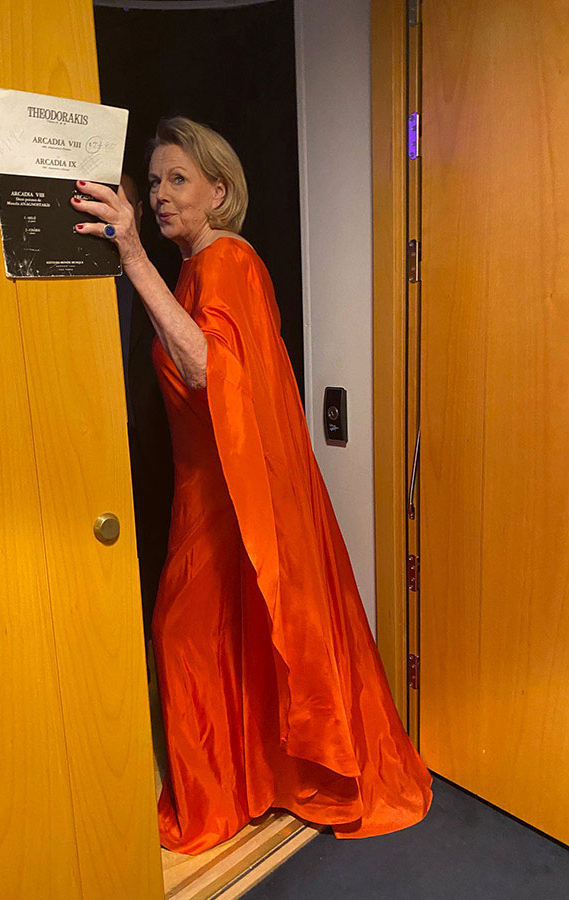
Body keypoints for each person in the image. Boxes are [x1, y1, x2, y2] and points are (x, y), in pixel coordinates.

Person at [71, 116, 433, 855]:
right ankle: (241, 786)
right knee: (208, 639)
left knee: (188, 637)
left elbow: (208, 370)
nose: (161, 194)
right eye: (155, 180)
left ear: (219, 191)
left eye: (179, 178)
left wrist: (131, 253)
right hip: (208, 491)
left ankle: (236, 791)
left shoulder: (228, 259)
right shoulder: (194, 268)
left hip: (234, 494)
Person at [115, 174, 173, 647]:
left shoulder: (166, 275)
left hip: (152, 451)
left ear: (136, 212)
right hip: (93, 445)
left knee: (153, 564)